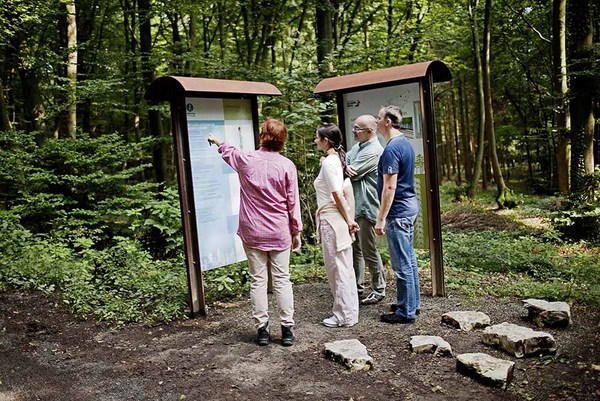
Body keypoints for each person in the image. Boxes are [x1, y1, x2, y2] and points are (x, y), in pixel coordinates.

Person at [207, 118, 302, 346]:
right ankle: (287, 330)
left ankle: (262, 330)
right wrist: (296, 231)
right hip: (279, 231)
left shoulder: (247, 160)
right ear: (282, 140)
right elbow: (293, 202)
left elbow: (230, 152)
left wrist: (218, 141)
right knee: (282, 280)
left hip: (253, 231)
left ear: (262, 136)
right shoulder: (287, 165)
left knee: (257, 280)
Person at [374, 106, 421, 324]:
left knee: (402, 264)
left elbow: (389, 187)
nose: (376, 121)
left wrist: (381, 218)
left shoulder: (392, 149)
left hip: (399, 211)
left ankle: (405, 312)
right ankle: (411, 303)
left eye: (379, 118)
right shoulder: (405, 143)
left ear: (388, 122)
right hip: (409, 207)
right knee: (409, 259)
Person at [313, 123, 360, 328]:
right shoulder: (337, 160)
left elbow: (336, 194)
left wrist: (349, 220)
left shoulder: (330, 163)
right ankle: (349, 313)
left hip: (333, 221)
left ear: (326, 141)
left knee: (337, 269)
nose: (315, 141)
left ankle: (343, 315)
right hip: (336, 219)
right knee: (343, 268)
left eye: (317, 138)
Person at [346, 114, 386, 305]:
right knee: (356, 250)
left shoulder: (374, 151)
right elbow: (345, 165)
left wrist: (346, 168)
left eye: (357, 129)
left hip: (367, 205)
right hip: (355, 206)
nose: (354, 131)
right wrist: (345, 166)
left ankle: (379, 289)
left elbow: (352, 173)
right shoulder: (357, 147)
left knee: (369, 250)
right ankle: (357, 286)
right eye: (354, 127)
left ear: (370, 131)